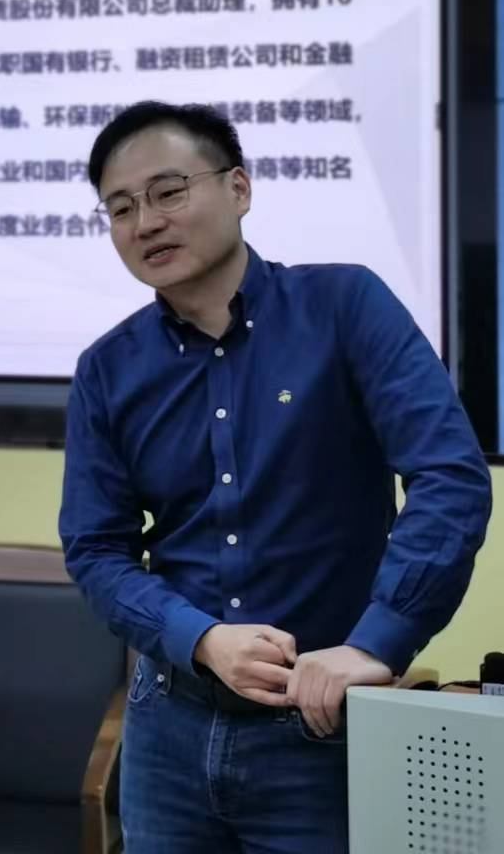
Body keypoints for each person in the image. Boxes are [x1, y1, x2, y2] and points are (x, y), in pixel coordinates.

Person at [59, 100, 491, 851]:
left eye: (168, 192)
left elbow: (449, 476)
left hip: (320, 726)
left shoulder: (345, 306)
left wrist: (376, 643)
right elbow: (96, 550)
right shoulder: (107, 370)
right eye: (121, 208)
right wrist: (200, 639)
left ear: (239, 188)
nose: (146, 223)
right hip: (168, 729)